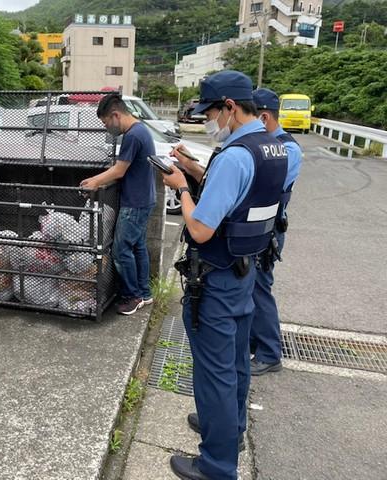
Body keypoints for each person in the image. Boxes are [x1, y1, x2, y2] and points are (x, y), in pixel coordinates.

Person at [161, 71, 288, 480]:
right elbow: (238, 196)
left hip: (215, 277)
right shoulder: (272, 147)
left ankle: (216, 464)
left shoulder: (234, 156)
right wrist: (195, 171)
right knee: (235, 362)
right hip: (246, 269)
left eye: (211, 112)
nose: (208, 120)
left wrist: (181, 187)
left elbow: (200, 229)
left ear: (230, 107)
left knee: (213, 371)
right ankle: (229, 429)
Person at [80, 93, 156, 315]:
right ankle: (144, 293)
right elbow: (123, 171)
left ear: (115, 114)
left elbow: (119, 169)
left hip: (135, 203)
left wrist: (94, 182)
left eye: (106, 123)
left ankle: (132, 296)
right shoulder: (141, 130)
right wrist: (95, 181)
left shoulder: (133, 135)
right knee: (138, 247)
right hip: (144, 199)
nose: (106, 128)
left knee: (121, 250)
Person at [249, 88, 303, 376]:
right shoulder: (267, 144)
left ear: (264, 117)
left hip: (269, 231)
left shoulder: (287, 149)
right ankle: (256, 344)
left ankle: (270, 353)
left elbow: (265, 185)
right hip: (259, 227)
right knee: (252, 287)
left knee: (260, 289)